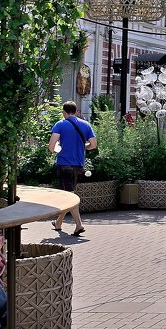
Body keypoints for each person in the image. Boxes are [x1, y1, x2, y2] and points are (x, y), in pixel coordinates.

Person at [50, 101, 97, 236]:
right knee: (69, 194)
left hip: (64, 164)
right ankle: (58, 223)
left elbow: (51, 146)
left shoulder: (60, 124)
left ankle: (79, 225)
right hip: (79, 165)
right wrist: (85, 148)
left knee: (69, 196)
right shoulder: (86, 124)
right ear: (76, 111)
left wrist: (56, 150)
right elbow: (93, 144)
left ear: (64, 112)